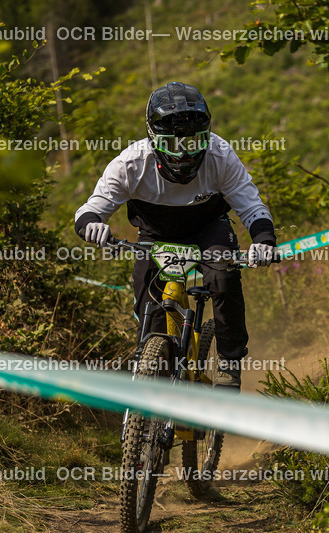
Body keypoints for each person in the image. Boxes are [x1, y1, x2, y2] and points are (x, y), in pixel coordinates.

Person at [74, 81, 276, 390]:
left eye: (194, 144)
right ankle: (152, 366)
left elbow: (251, 206)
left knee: (223, 279)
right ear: (155, 140)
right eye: (175, 145)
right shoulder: (130, 164)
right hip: (156, 235)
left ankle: (229, 363)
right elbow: (91, 209)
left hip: (208, 229)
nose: (184, 154)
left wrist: (263, 242)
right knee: (146, 303)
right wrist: (93, 225)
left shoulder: (221, 156)